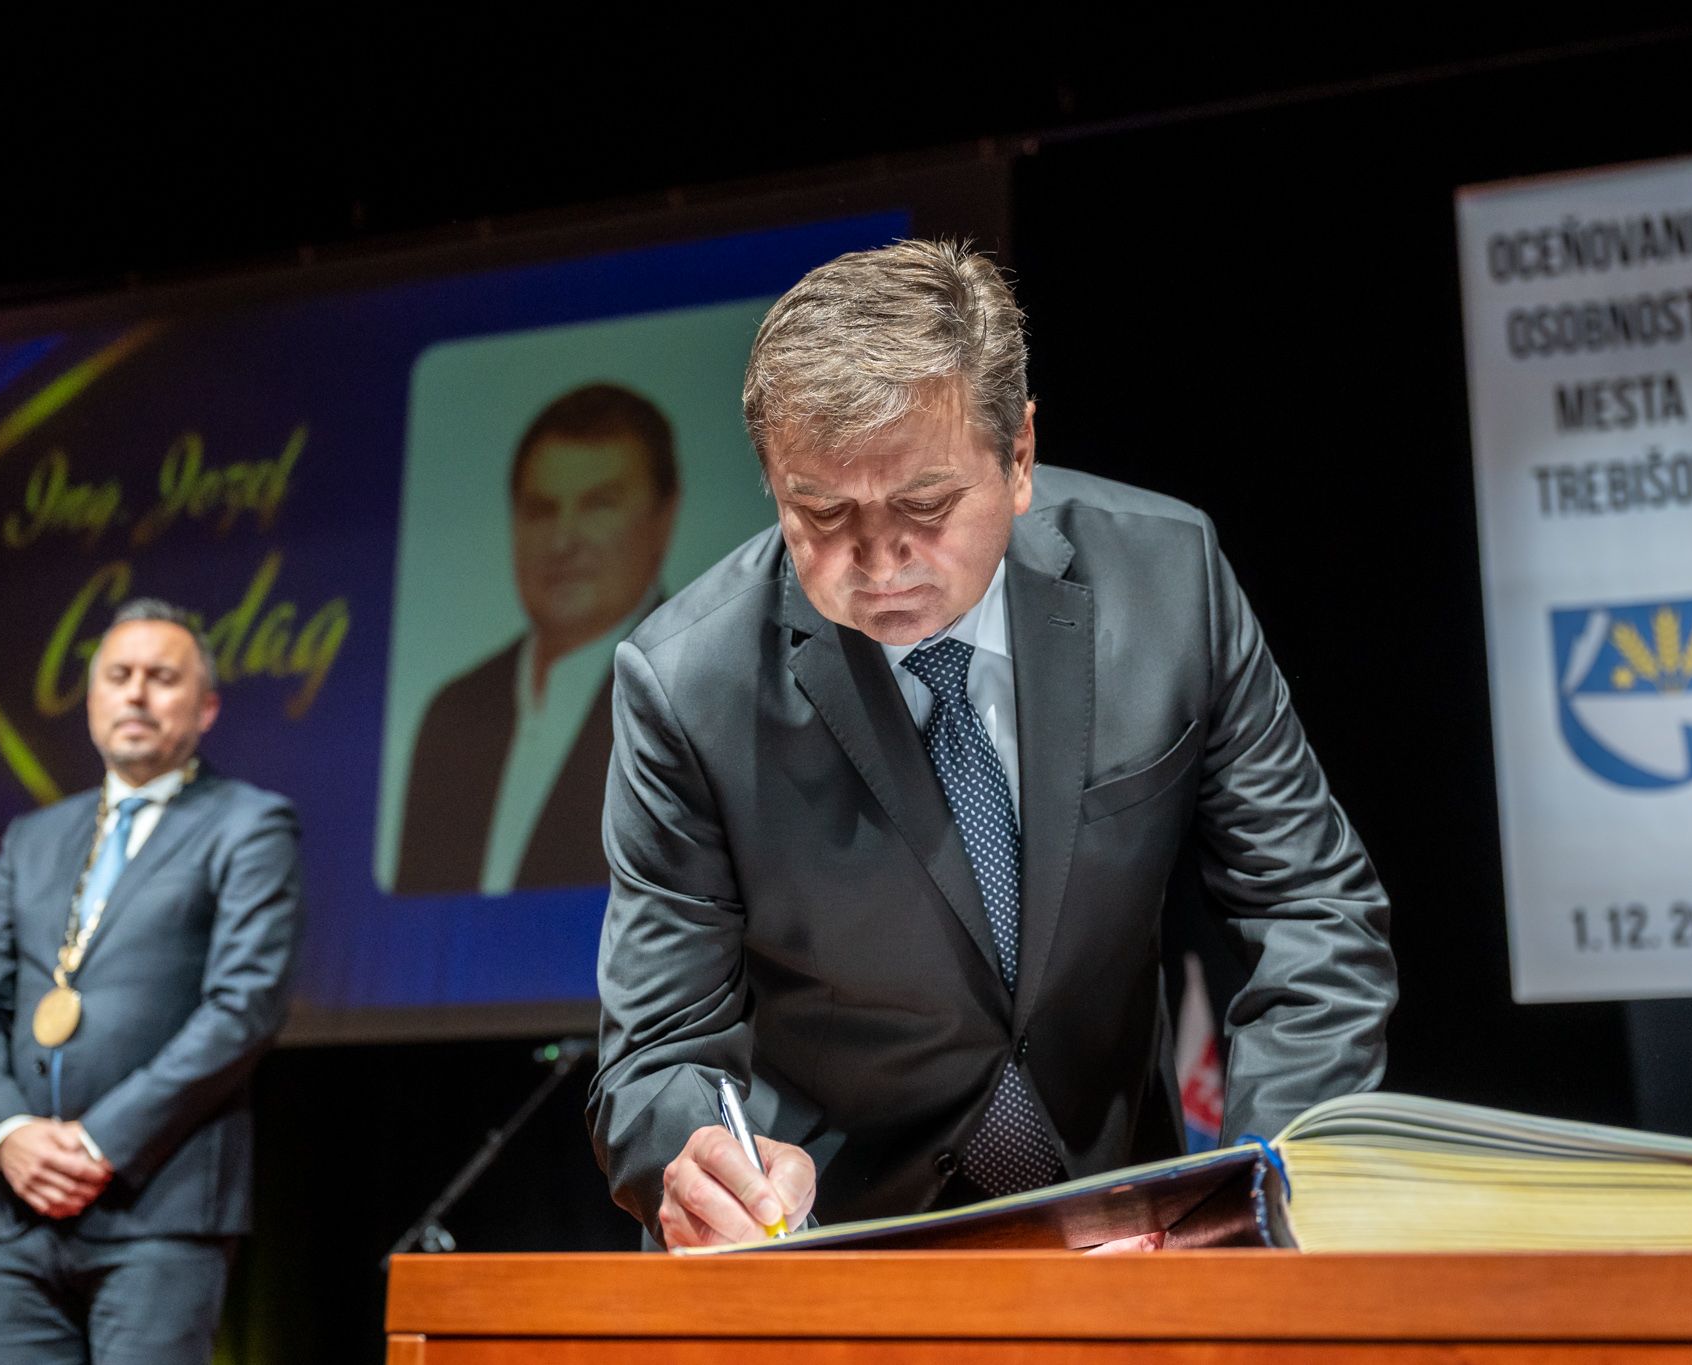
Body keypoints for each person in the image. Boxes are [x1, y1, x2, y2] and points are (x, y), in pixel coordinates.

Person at [586, 240, 1397, 1249]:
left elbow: (1312, 911)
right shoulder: (687, 682)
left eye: (925, 506)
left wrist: (1249, 1204)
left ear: (1017, 457)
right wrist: (710, 1162)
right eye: (821, 512)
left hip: (1133, 1222)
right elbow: (657, 1054)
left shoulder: (1167, 581)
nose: (878, 560)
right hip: (832, 1246)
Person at [0, 598, 302, 1362]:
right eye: (118, 675)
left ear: (206, 708)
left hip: (159, 1207)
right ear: (91, 700)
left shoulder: (249, 823)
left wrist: (98, 1141)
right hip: (13, 1207)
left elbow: (244, 1007)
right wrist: (7, 1134)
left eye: (162, 677)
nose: (136, 693)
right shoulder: (33, 836)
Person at [393, 382, 680, 894]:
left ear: (664, 518)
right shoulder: (455, 714)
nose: (563, 540)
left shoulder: (693, 692)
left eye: (598, 505)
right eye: (542, 509)